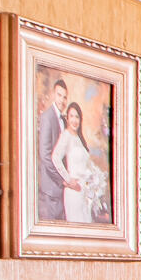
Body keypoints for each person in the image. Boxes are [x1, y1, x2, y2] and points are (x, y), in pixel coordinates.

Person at [53, 103, 97, 224]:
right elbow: (55, 157)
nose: (74, 120)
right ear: (67, 118)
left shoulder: (79, 138)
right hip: (73, 192)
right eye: (71, 116)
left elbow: (87, 164)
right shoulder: (66, 135)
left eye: (77, 116)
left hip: (84, 192)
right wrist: (69, 180)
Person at [36, 76, 69, 223]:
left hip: (62, 190)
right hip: (50, 188)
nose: (62, 100)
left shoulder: (64, 119)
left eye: (64, 97)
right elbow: (44, 155)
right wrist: (61, 179)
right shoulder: (47, 117)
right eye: (59, 95)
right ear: (53, 94)